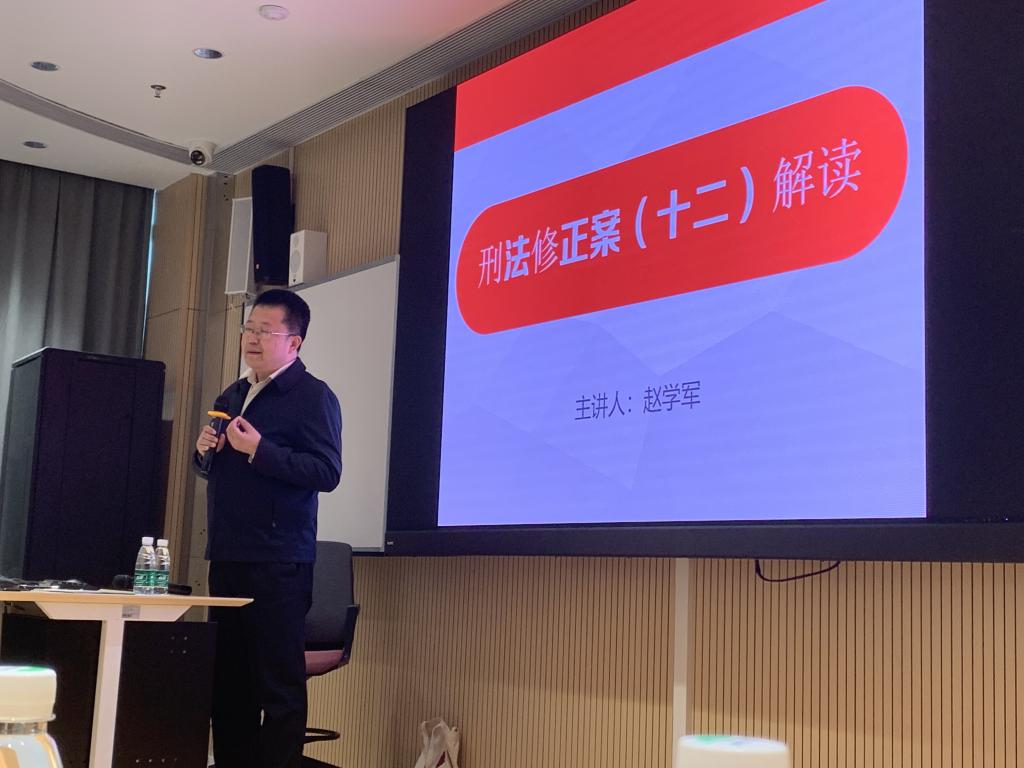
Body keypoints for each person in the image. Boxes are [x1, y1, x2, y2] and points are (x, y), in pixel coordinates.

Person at [194, 288, 342, 768]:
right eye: (248, 329)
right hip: (229, 555)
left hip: (278, 561)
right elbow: (216, 471)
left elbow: (327, 472)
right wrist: (204, 453)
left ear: (294, 342)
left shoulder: (312, 396)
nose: (251, 339)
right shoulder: (233, 394)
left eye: (264, 331)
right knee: (228, 685)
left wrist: (260, 449)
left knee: (278, 689)